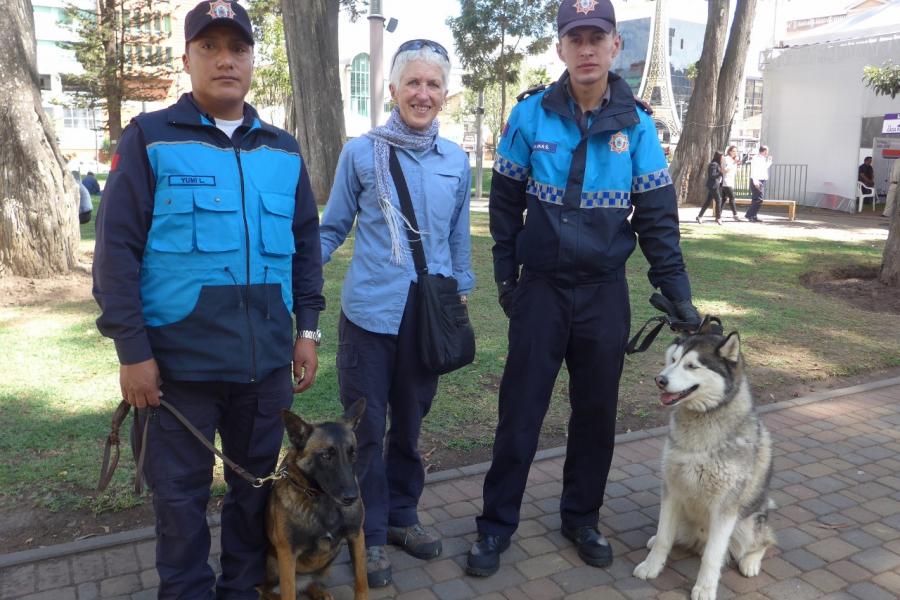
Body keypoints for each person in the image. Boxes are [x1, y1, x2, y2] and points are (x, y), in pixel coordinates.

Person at [91, 2, 325, 597]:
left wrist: (308, 329)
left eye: (238, 48)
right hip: (176, 373)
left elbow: (304, 245)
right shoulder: (149, 138)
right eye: (210, 47)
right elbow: (115, 252)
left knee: (252, 496)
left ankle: (242, 589)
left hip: (264, 369)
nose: (226, 59)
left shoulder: (283, 149)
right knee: (179, 503)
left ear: (251, 60)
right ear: (188, 58)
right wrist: (132, 352)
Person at [466, 0, 700, 578]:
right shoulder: (530, 115)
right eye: (577, 38)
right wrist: (506, 280)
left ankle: (581, 518)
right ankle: (496, 525)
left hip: (603, 294)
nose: (588, 48)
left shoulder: (639, 125)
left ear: (615, 46)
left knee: (596, 415)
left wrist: (680, 301)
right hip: (541, 291)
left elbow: (658, 221)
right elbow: (504, 204)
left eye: (598, 37)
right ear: (562, 49)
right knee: (519, 413)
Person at [319, 39, 474, 588]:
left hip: (426, 318)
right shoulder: (362, 153)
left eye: (433, 85)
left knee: (409, 427)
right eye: (413, 82)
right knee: (366, 430)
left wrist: (462, 291)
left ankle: (404, 517)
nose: (423, 94)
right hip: (369, 315)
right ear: (392, 90)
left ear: (445, 95)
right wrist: (299, 273)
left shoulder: (456, 160)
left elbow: (458, 238)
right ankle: (370, 535)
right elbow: (333, 226)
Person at [695, 151, 724, 225]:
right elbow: (712, 175)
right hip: (713, 186)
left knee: (708, 202)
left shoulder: (718, 164)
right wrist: (720, 173)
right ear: (718, 157)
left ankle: (699, 216)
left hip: (715, 185)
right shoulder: (713, 164)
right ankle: (718, 218)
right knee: (718, 201)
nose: (722, 158)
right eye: (721, 157)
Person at [745, 144, 772, 222]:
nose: (768, 153)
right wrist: (755, 181)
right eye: (767, 151)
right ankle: (749, 215)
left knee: (756, 199)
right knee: (759, 199)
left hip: (761, 180)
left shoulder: (762, 158)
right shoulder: (756, 158)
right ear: (764, 151)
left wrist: (769, 161)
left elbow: (763, 168)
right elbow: (754, 171)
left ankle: (753, 216)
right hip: (757, 180)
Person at [721, 145, 741, 221]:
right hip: (726, 182)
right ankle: (735, 215)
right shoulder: (725, 158)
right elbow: (724, 170)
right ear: (729, 151)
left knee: (723, 199)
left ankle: (718, 214)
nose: (735, 153)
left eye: (736, 151)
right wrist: (733, 163)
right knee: (732, 198)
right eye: (733, 151)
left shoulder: (734, 160)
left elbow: (736, 171)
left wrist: (737, 164)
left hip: (731, 182)